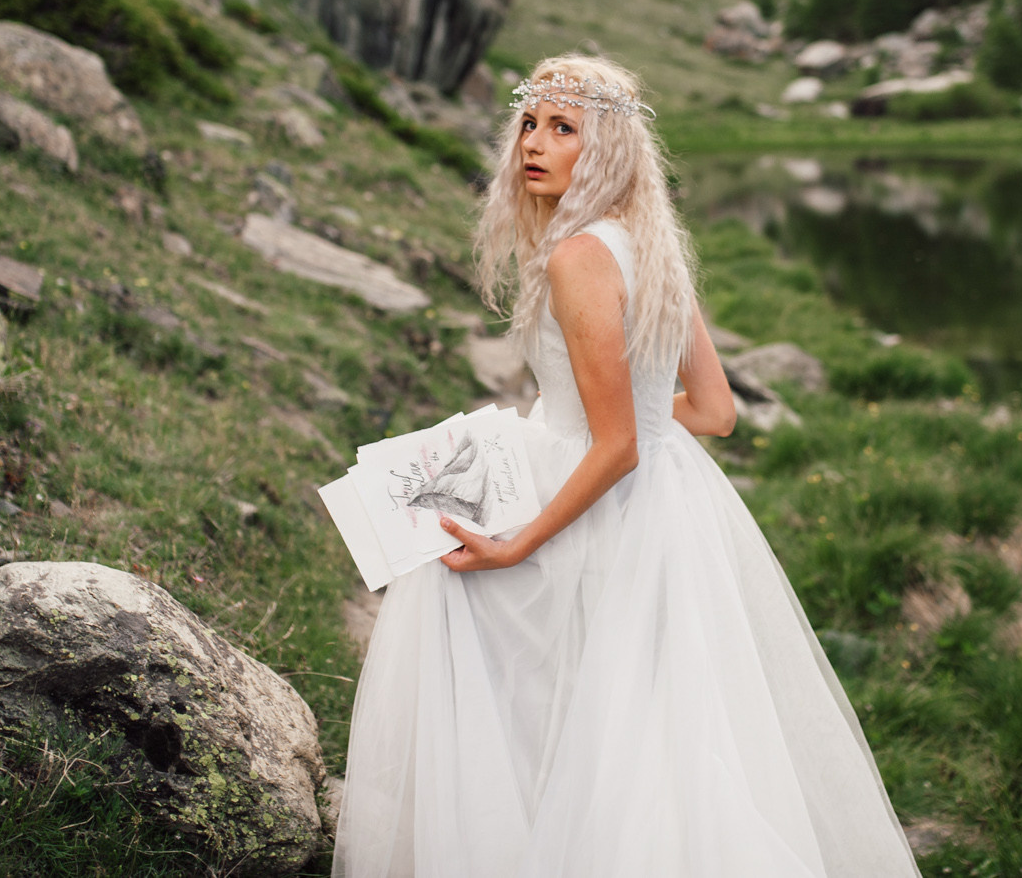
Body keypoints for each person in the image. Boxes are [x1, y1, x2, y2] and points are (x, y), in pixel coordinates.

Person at [332, 55, 919, 878]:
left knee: (457, 597)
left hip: (598, 504)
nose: (534, 143)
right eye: (530, 123)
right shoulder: (652, 246)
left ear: (604, 148)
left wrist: (519, 540)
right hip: (668, 510)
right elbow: (715, 409)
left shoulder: (578, 257)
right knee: (645, 728)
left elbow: (616, 446)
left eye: (563, 128)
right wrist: (603, 417)